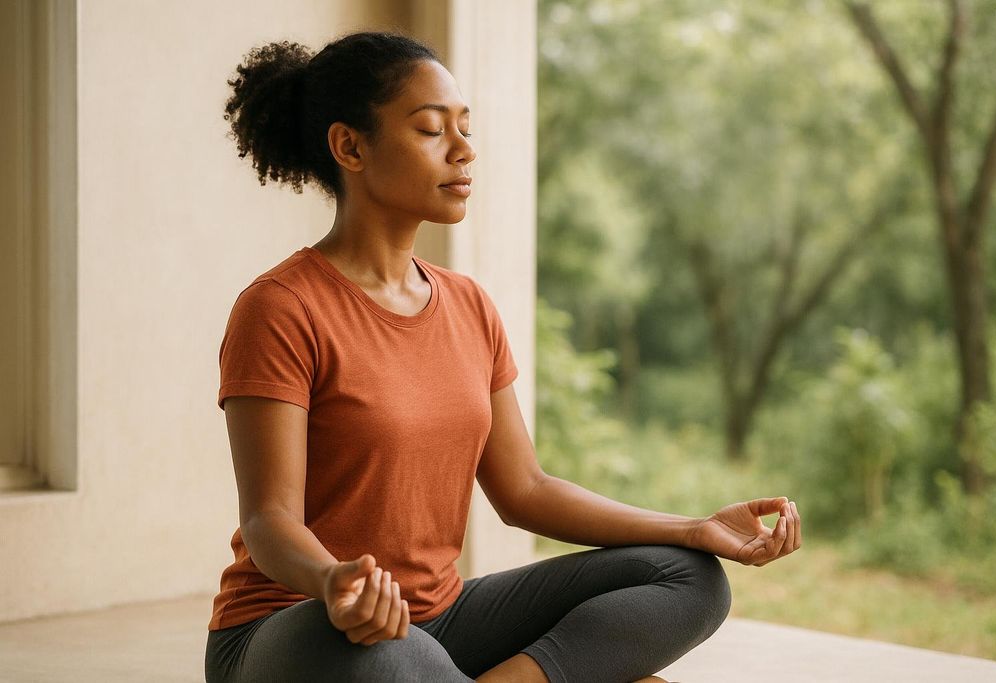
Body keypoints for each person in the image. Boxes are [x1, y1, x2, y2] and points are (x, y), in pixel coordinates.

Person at [205, 30, 802, 683]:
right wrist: (333, 580)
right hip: (302, 627)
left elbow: (526, 489)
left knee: (688, 577)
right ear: (350, 145)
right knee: (385, 651)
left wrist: (693, 528)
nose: (464, 150)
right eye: (432, 130)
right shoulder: (281, 307)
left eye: (465, 127)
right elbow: (269, 521)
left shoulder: (469, 306)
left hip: (442, 620)